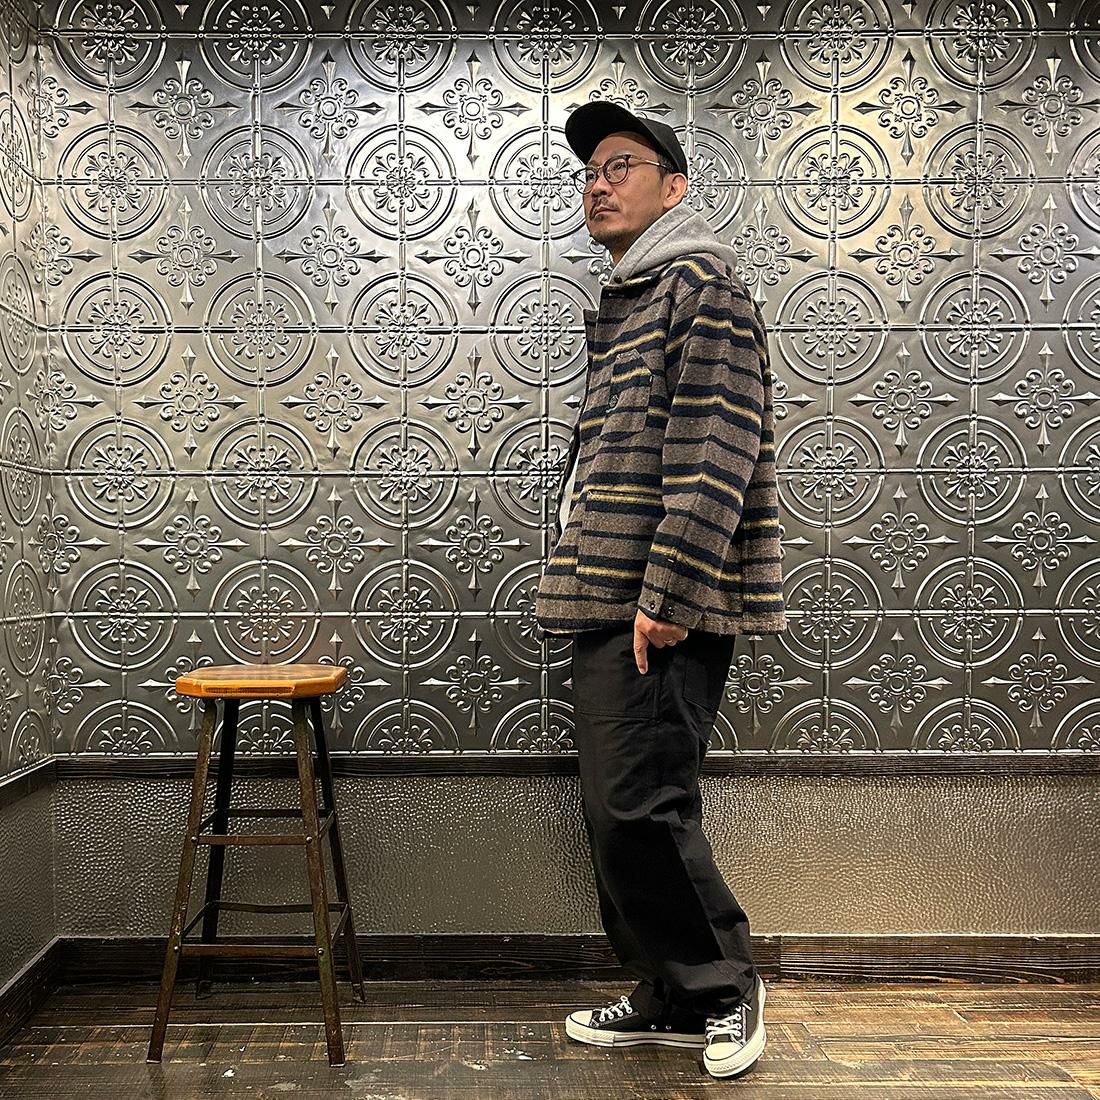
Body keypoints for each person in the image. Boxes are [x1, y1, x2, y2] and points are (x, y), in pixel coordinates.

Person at [535, 102, 786, 1080]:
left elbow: (717, 450)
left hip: (656, 604)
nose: (597, 184)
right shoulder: (636, 295)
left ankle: (724, 988)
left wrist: (671, 592)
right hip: (608, 595)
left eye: (621, 166)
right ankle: (667, 991)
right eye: (589, 172)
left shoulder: (701, 288)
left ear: (674, 188)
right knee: (616, 809)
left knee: (645, 805)